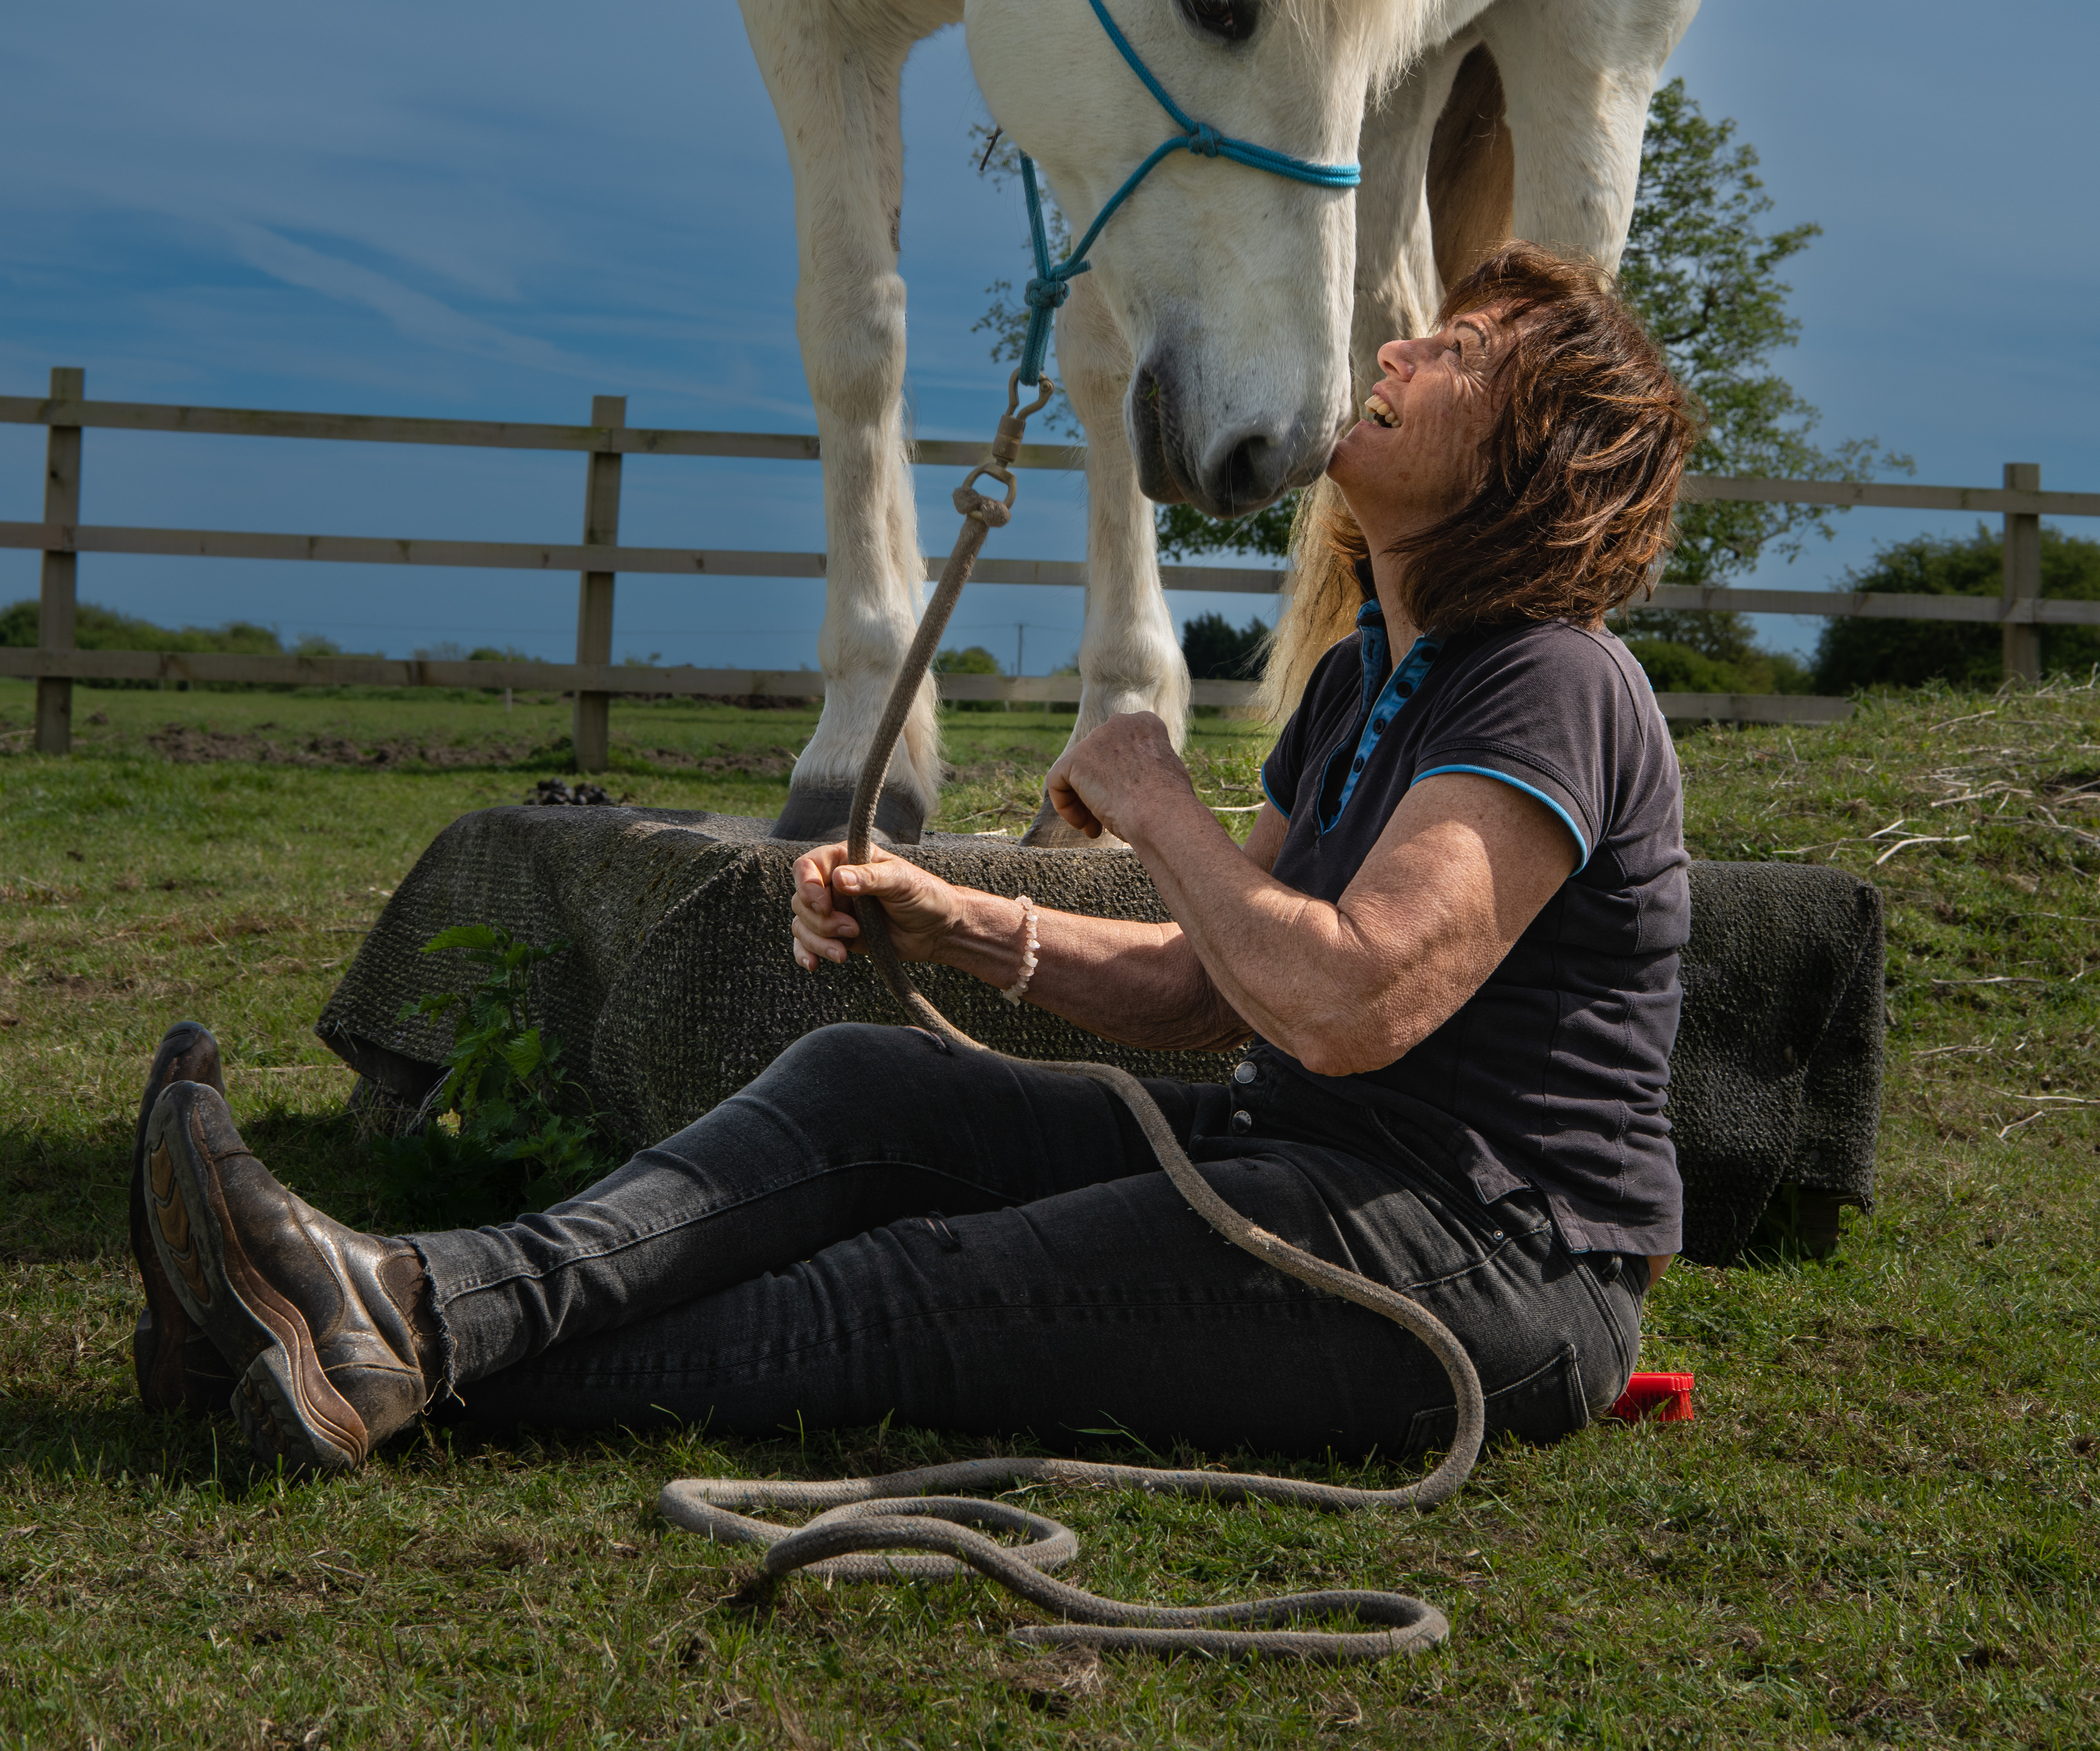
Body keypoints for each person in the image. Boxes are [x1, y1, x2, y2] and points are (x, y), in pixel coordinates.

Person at [132, 241, 1695, 1479]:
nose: (1399, 349)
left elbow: (1350, 1004)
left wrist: (1161, 803)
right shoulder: (1365, 678)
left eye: (1462, 352)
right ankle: (397, 1312)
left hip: (1486, 1262)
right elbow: (1208, 988)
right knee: (863, 1086)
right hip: (1292, 1159)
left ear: (1538, 454)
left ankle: (375, 1342)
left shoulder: (1553, 682)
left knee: (931, 1289)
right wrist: (953, 922)